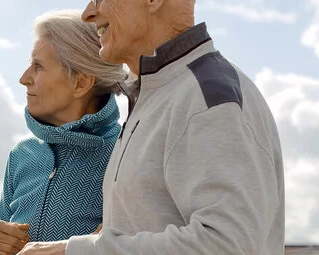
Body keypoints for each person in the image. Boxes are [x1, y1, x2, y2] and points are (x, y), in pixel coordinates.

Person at [18, 0, 285, 254]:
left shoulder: (208, 97)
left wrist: (76, 252)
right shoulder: (159, 94)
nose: (88, 13)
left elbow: (228, 246)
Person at [0, 10, 126, 255]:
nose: (23, 78)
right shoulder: (22, 155)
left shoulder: (126, 150)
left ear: (80, 83)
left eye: (38, 66)